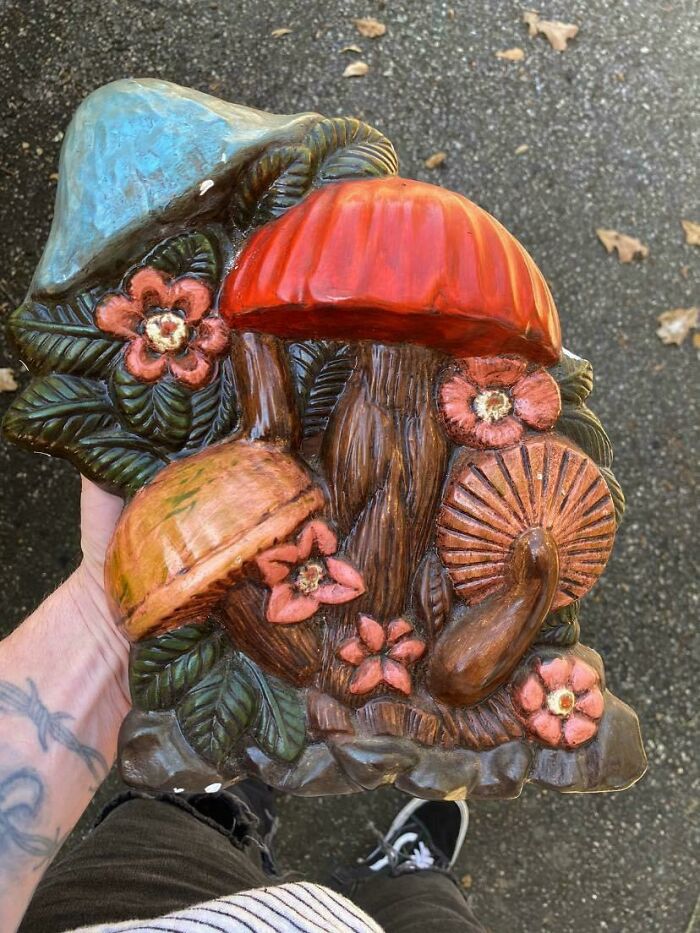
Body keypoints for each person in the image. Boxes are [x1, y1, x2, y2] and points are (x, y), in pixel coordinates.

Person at [1, 479, 486, 933]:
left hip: (131, 899)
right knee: (433, 913)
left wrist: (103, 624)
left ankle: (230, 793)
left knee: (178, 824)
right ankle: (411, 878)